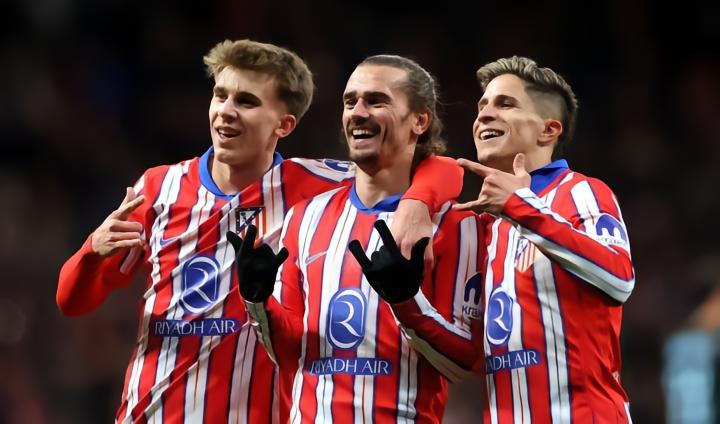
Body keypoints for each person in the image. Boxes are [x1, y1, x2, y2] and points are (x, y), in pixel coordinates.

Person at [55, 40, 463, 423]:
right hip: (152, 412)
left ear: (283, 125)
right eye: (220, 96)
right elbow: (72, 301)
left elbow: (438, 166)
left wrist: (416, 203)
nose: (226, 111)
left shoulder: (314, 187)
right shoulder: (160, 188)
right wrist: (92, 250)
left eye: (246, 101)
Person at [230, 55, 484, 423]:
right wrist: (258, 301)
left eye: (376, 101)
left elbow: (465, 362)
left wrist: (406, 302)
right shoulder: (305, 217)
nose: (358, 112)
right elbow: (289, 352)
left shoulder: (455, 224)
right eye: (350, 102)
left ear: (419, 121)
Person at [452, 56, 636, 422]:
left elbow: (619, 279)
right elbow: (471, 355)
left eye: (505, 104)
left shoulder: (580, 192)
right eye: (482, 106)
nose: (485, 115)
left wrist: (520, 207)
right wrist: (405, 301)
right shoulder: (487, 228)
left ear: (548, 130)